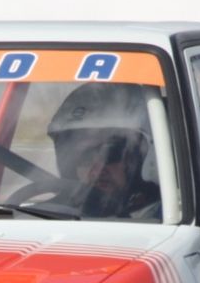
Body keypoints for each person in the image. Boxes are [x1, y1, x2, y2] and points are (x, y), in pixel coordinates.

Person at [46, 83, 161, 219]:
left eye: (111, 154)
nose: (98, 169)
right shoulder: (50, 213)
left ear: (139, 158)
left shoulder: (163, 217)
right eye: (85, 157)